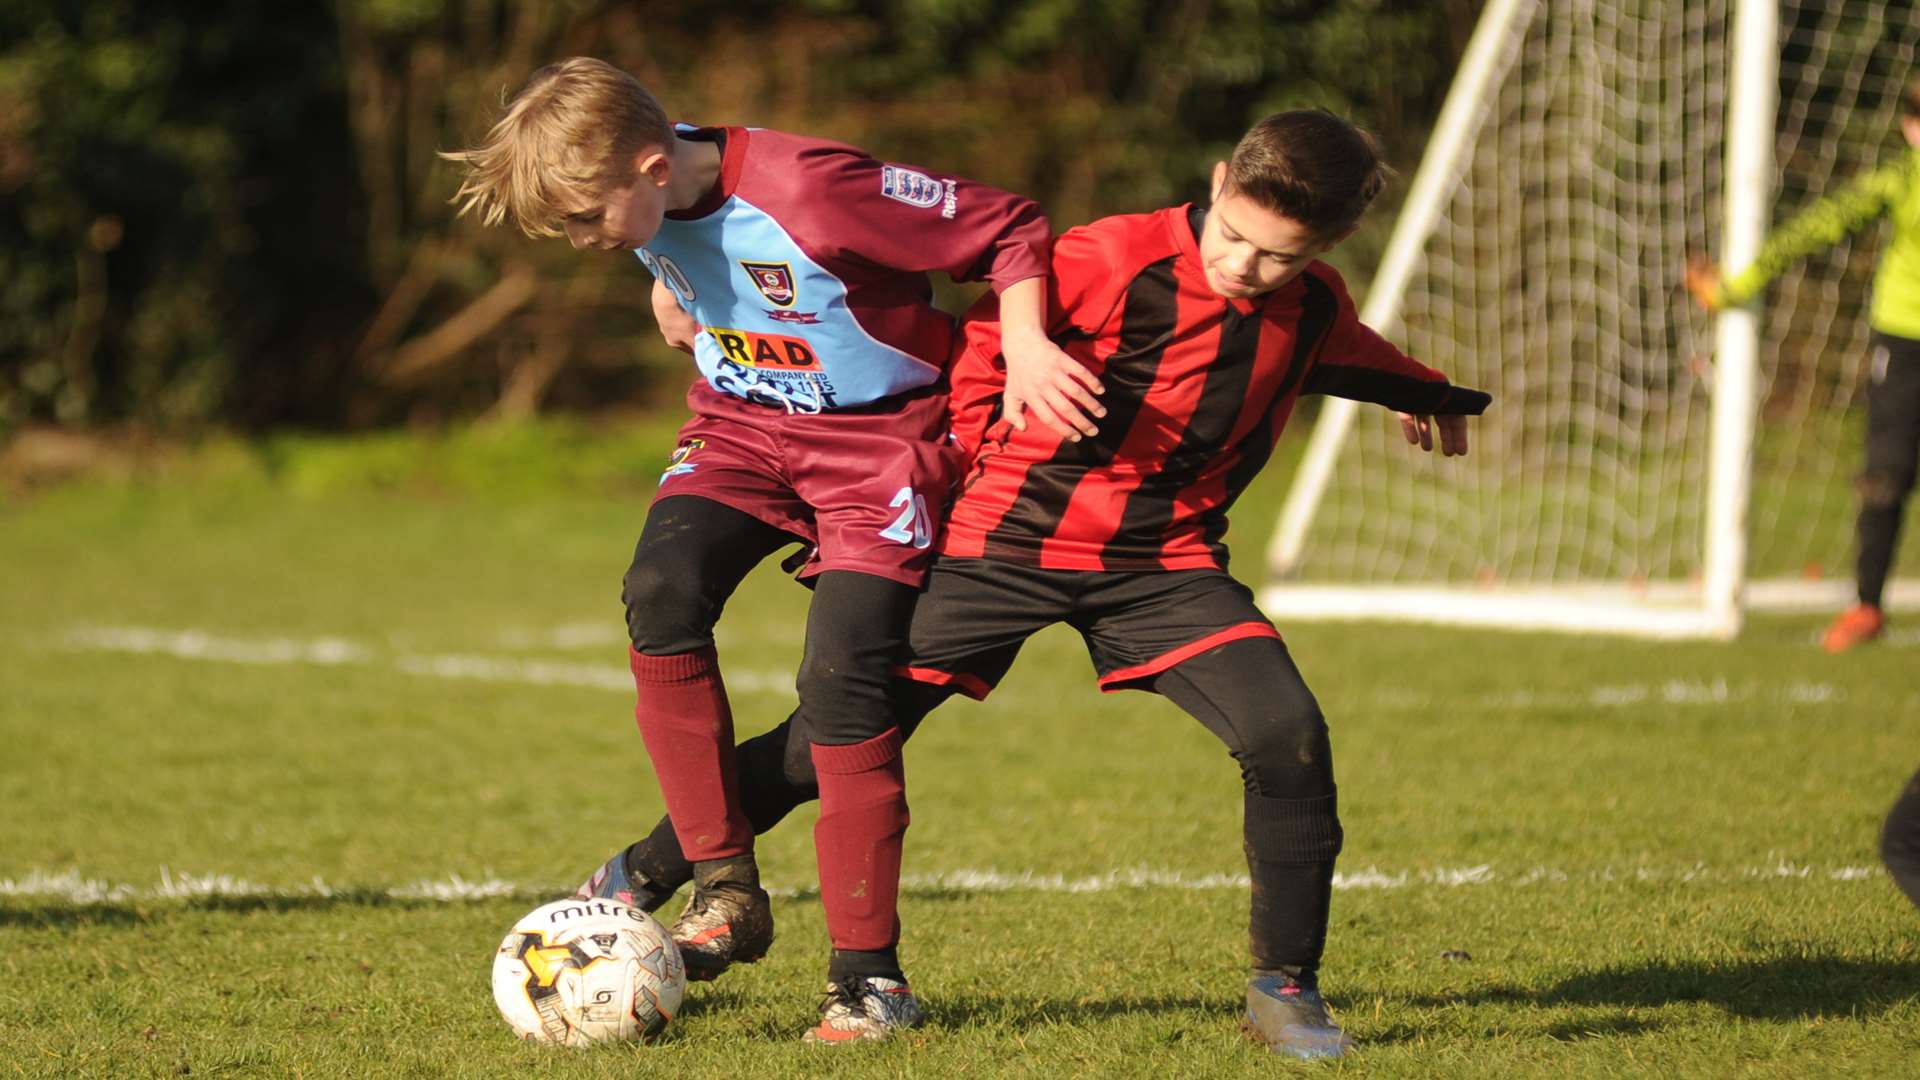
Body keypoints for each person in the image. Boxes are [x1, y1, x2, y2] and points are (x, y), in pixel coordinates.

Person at [580, 110, 1491, 1054]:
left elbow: (1348, 352)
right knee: (830, 742)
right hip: (1000, 550)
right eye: (1233, 236)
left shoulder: (1310, 305)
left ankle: (1285, 991)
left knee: (1289, 736)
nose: (1243, 267)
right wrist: (965, 452)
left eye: (1277, 256)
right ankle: (650, 870)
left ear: (1330, 246)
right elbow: (980, 344)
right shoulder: (1109, 258)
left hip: (1163, 571)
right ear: (1218, 184)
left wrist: (1431, 394)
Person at [440, 56, 1103, 1042]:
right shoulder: (647, 195)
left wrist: (1031, 344)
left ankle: (870, 981)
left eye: (585, 219)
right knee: (661, 588)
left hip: (878, 445)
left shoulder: (811, 187)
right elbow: (683, 255)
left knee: (844, 687)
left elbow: (1008, 224)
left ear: (653, 167)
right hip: (742, 430)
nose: (580, 241)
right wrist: (671, 291)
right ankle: (724, 887)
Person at [1687, 78, 1920, 653]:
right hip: (1904, 340)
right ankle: (1867, 607)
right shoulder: (1898, 181)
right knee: (1885, 474)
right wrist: (1737, 285)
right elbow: (1815, 228)